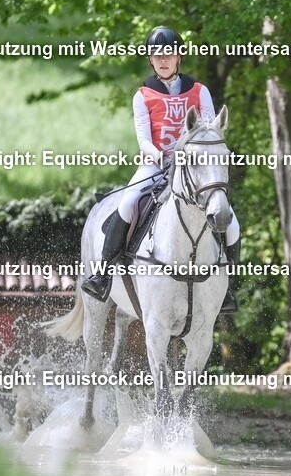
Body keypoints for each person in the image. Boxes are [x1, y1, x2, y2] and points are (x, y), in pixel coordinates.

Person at [81, 26, 240, 312]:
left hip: (194, 170)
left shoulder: (199, 91)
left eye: (168, 54)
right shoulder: (142, 95)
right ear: (151, 60)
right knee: (127, 204)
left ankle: (229, 288)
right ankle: (102, 276)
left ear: (179, 57)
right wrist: (155, 153)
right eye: (157, 55)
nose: (163, 59)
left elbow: (207, 128)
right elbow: (143, 136)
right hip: (155, 165)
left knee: (231, 221)